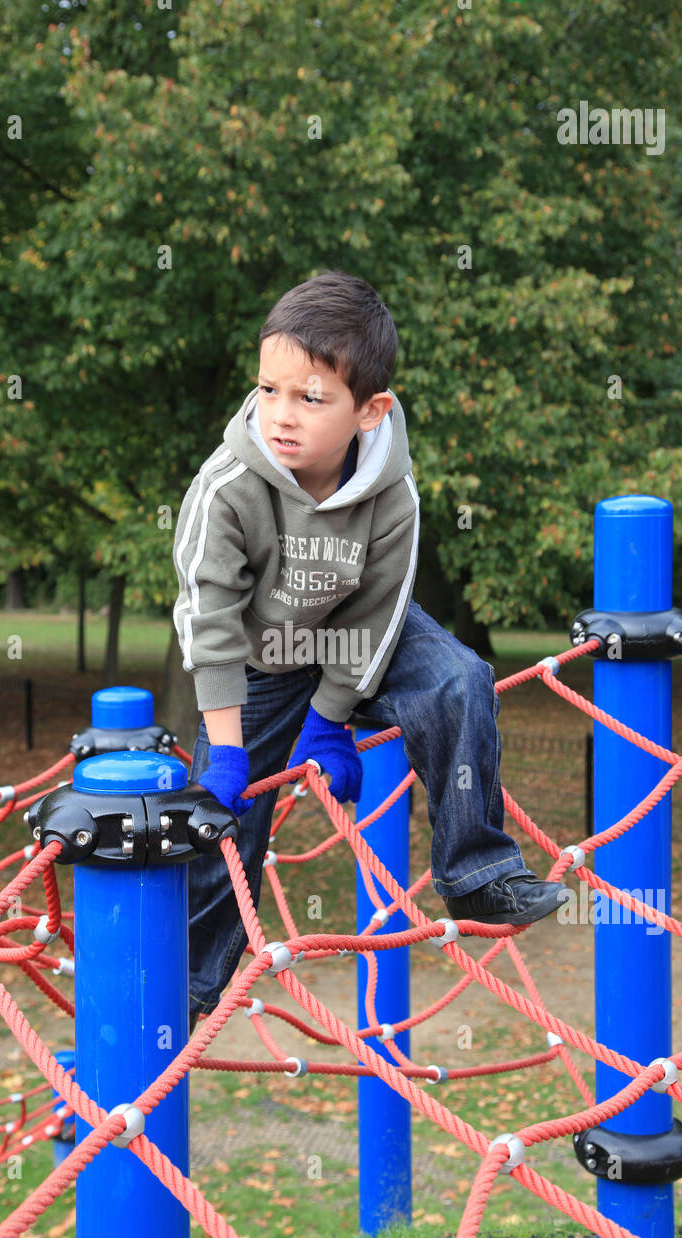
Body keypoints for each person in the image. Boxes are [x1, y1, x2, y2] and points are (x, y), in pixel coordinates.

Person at [173, 269, 566, 1034]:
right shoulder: (228, 487)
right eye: (269, 389)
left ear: (369, 410)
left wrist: (330, 718)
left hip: (358, 624)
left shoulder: (394, 492)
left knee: (460, 681)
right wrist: (226, 751)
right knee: (228, 813)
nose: (281, 415)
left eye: (311, 397)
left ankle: (478, 871)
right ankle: (191, 979)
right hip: (258, 653)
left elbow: (382, 611)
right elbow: (209, 617)